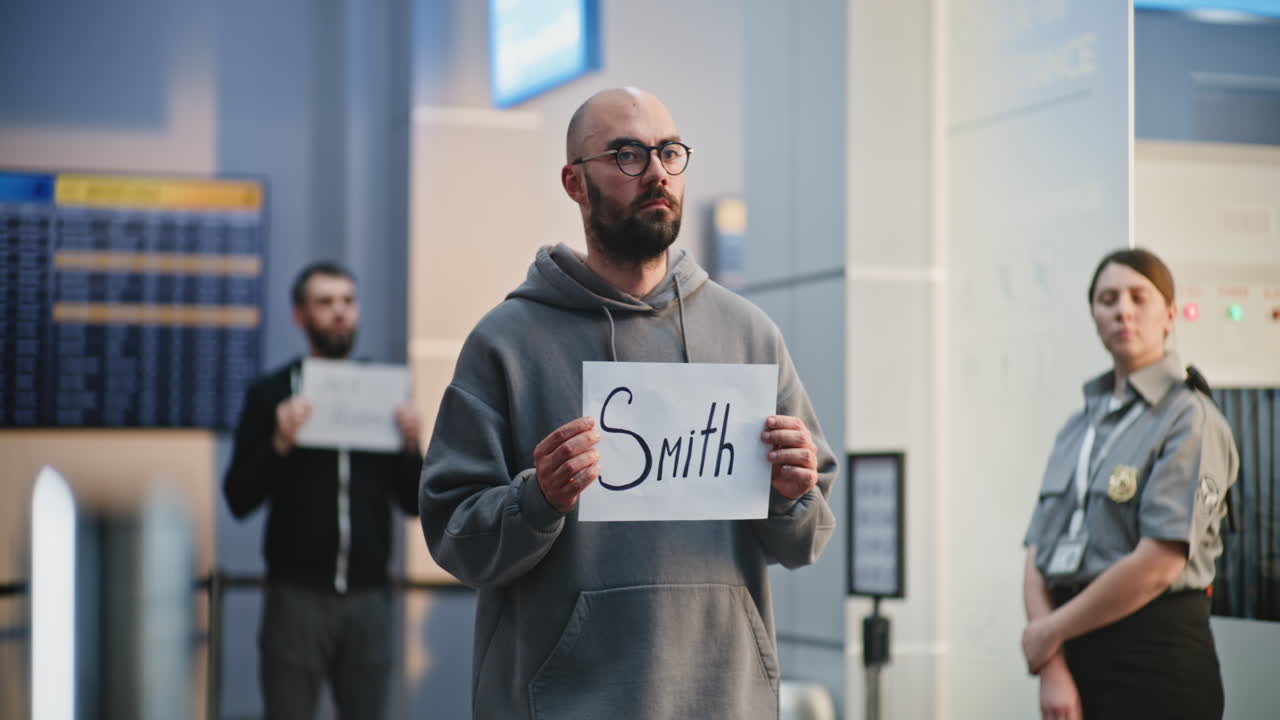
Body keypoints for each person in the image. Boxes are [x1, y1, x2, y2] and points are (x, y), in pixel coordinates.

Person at [418, 87, 837, 719]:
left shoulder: (749, 334)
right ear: (575, 183)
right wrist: (538, 500)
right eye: (627, 155)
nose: (658, 174)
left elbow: (805, 536)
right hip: (563, 703)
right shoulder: (505, 343)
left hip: (723, 699)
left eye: (669, 153)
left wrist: (790, 489)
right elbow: (454, 534)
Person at [1021, 248, 1239, 720]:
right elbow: (1038, 557)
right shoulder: (1078, 427)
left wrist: (1048, 633)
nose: (1122, 309)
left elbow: (1160, 562)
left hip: (1156, 663)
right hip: (1075, 659)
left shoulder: (1190, 419)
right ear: (1094, 318)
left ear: (1169, 315)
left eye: (1139, 296)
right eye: (1107, 299)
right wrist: (1053, 664)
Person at [223, 261, 423, 720]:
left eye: (348, 302)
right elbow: (238, 498)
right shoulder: (270, 394)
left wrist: (412, 447)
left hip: (370, 597)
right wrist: (278, 444)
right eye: (325, 302)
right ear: (300, 316)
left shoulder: (385, 395)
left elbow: (413, 503)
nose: (339, 313)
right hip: (295, 598)